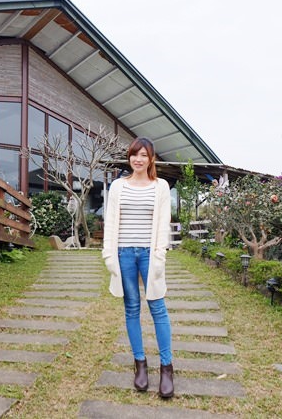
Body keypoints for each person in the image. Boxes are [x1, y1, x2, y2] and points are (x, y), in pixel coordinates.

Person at [102, 137, 174, 398]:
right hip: (123, 254)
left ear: (151, 158)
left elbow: (163, 225)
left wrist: (159, 256)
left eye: (144, 155)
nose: (139, 159)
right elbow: (110, 223)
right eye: (134, 155)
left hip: (148, 254)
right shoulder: (119, 186)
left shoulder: (161, 187)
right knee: (132, 308)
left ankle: (167, 368)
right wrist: (109, 256)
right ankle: (140, 364)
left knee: (158, 306)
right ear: (129, 158)